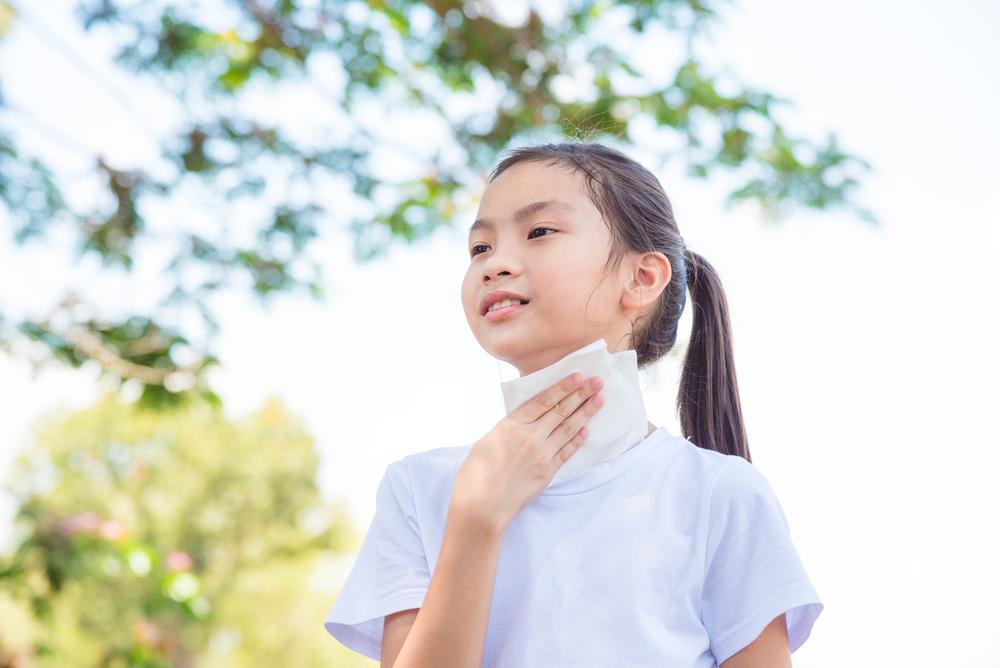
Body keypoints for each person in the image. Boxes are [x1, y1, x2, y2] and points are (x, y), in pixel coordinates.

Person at [323, 142, 824, 667]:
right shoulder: (419, 491)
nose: (495, 264)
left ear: (642, 278)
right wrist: (474, 523)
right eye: (479, 248)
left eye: (539, 232)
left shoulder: (719, 493)